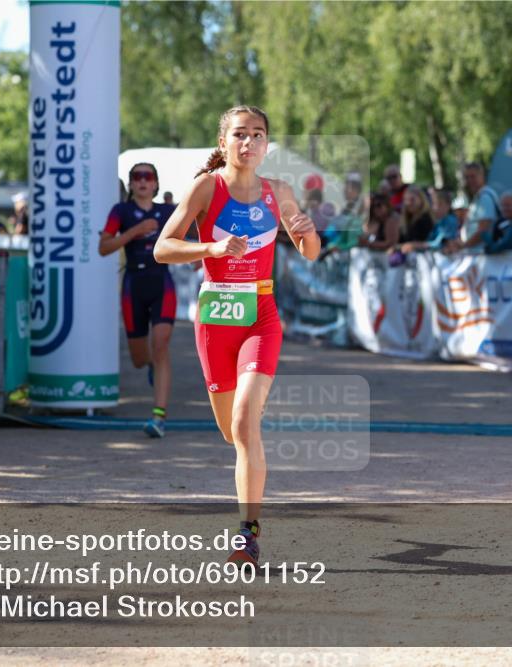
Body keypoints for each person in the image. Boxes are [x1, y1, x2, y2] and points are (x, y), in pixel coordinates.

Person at [154, 105, 320, 569]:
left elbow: (308, 252)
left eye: (259, 135)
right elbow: (163, 247)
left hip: (260, 315)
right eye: (241, 135)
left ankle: (248, 535)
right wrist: (210, 247)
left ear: (267, 144)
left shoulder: (279, 191)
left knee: (247, 421)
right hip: (216, 318)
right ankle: (246, 425)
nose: (249, 143)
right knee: (233, 433)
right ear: (224, 141)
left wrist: (308, 234)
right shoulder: (207, 188)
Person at [99, 162, 177, 439]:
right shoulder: (120, 212)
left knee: (161, 343)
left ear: (156, 183)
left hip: (161, 282)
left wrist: (200, 257)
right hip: (133, 284)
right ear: (131, 184)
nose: (143, 181)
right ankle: (152, 366)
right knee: (140, 357)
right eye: (137, 177)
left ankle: (159, 416)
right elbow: (103, 247)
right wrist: (135, 231)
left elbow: (195, 231)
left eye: (148, 176)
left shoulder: (168, 211)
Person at [450, 162, 499, 254]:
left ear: (482, 176)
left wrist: (464, 245)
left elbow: (483, 230)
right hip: (474, 253)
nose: (469, 180)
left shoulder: (485, 198)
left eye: (473, 176)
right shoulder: (478, 197)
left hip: (481, 255)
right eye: (467, 177)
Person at [396, 186, 434, 253]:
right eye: (406, 200)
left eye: (412, 199)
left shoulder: (425, 218)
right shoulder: (406, 220)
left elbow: (430, 242)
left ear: (421, 199)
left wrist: (413, 245)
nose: (408, 203)